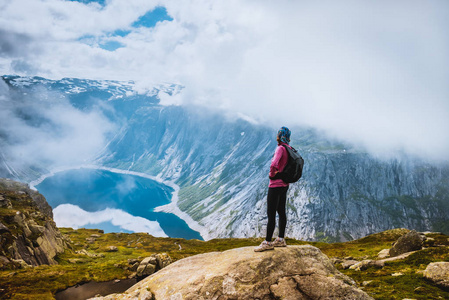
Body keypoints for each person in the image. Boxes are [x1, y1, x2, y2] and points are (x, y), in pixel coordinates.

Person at [255, 126, 291, 252]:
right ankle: (281, 239)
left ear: (280, 135)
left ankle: (268, 242)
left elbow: (274, 164)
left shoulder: (280, 148)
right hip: (285, 185)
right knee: (281, 211)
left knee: (271, 214)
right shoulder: (289, 148)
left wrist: (271, 175)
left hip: (275, 185)